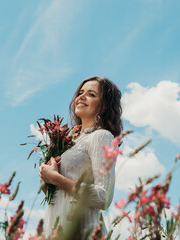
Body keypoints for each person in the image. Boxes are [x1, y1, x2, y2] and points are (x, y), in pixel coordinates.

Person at [39, 76, 123, 237]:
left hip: (83, 230)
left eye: (91, 94)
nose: (81, 97)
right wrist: (46, 180)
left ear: (104, 105)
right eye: (81, 92)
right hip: (57, 229)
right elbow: (59, 195)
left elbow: (103, 197)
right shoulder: (69, 143)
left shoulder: (102, 136)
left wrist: (56, 178)